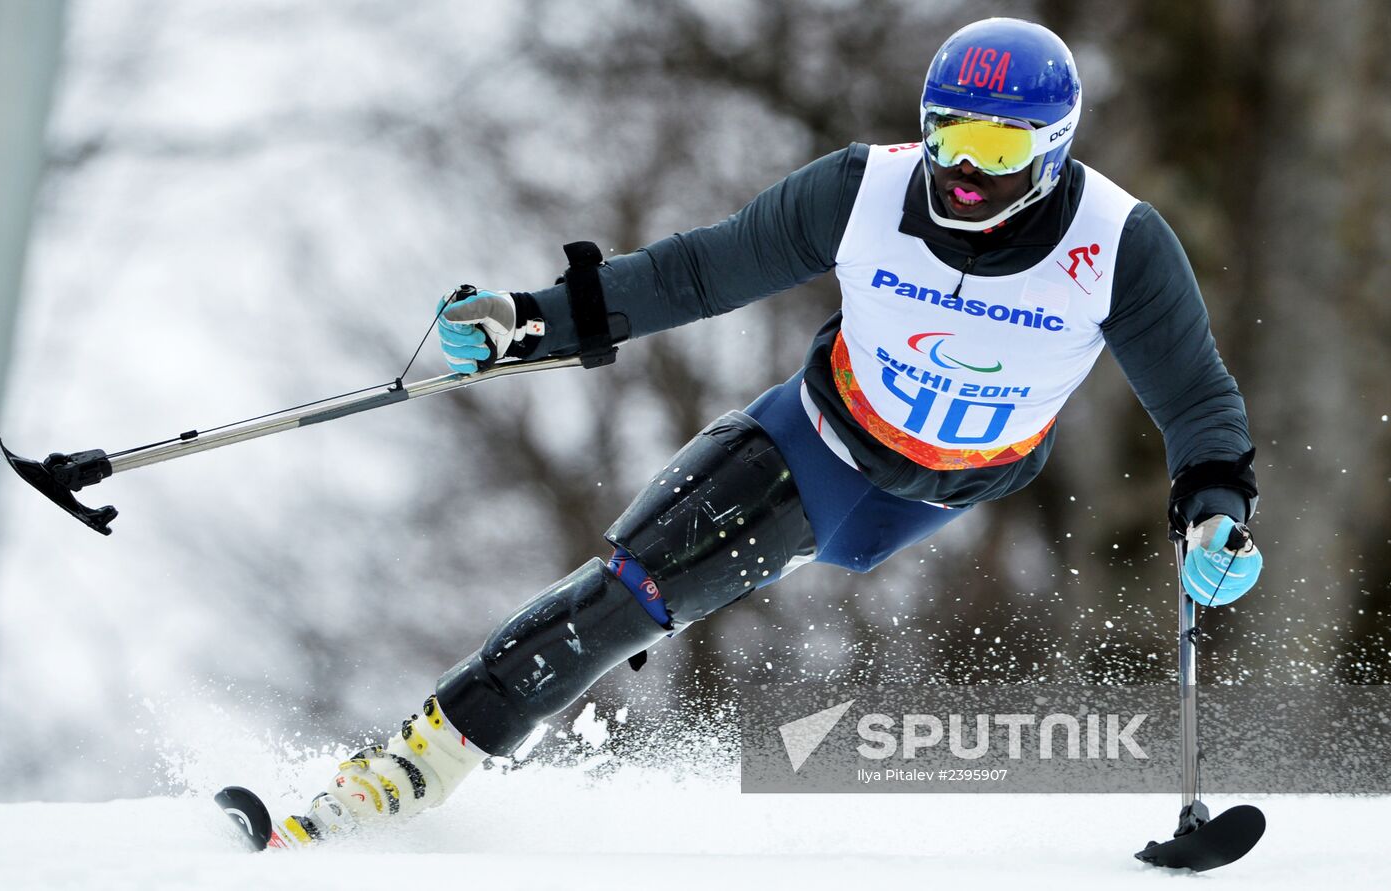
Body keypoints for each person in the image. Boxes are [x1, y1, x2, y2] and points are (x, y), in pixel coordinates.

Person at [270, 17, 1264, 845]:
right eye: (947, 137)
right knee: (640, 587)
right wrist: (532, 318)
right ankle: (409, 769)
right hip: (823, 443)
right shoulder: (862, 189)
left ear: (1049, 151)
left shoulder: (1119, 244)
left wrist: (1214, 510)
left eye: (997, 151)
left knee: (729, 575)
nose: (963, 171)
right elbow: (698, 272)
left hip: (963, 481)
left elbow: (1195, 400)